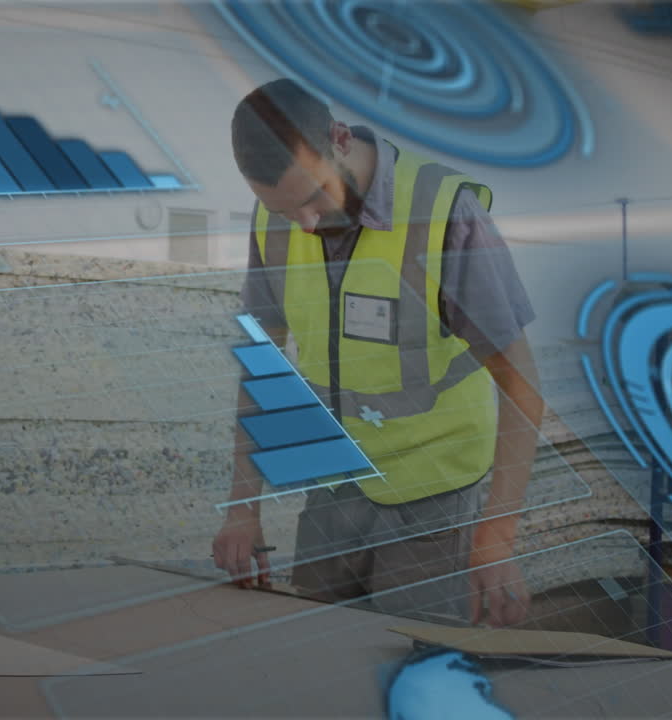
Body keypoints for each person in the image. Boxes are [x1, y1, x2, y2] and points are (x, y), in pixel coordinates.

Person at [212, 79, 545, 627]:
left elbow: (522, 386)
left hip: (432, 500)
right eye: (284, 210)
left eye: (314, 197)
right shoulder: (276, 217)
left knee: (415, 670)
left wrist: (497, 535)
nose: (306, 224)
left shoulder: (445, 214)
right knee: (321, 665)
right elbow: (263, 365)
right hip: (334, 488)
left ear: (340, 139)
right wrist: (243, 505)